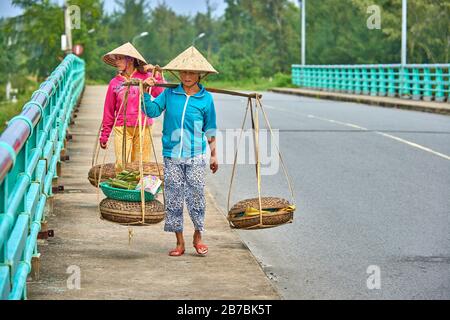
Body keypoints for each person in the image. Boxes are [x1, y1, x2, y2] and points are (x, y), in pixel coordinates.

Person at [142, 46, 219, 257]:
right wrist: (146, 92)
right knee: (174, 197)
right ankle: (179, 241)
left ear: (199, 75)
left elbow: (210, 129)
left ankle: (198, 236)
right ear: (178, 74)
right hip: (172, 154)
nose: (187, 76)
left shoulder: (206, 99)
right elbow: (152, 111)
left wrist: (213, 154)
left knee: (196, 196)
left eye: (191, 72)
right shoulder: (169, 93)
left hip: (196, 154)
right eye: (184, 72)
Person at [100, 42, 165, 171]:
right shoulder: (115, 83)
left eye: (119, 58)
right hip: (122, 127)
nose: (116, 62)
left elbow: (161, 94)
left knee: (141, 166)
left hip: (143, 127)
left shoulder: (146, 77)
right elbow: (108, 110)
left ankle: (138, 191)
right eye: (115, 59)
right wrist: (105, 134)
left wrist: (156, 75)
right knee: (121, 166)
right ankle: (124, 190)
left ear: (129, 59)